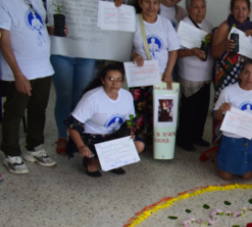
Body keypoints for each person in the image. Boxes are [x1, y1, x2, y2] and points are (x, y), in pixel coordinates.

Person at [48, 0, 126, 155]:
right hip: (61, 51)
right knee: (64, 97)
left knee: (80, 97)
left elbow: (112, 9)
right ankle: (62, 136)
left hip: (87, 52)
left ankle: (77, 136)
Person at [0, 0, 56, 174]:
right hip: (21, 71)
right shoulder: (4, 3)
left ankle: (34, 147)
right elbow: (4, 40)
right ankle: (11, 154)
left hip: (43, 69)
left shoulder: (37, 2)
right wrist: (17, 74)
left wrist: (52, 31)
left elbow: (34, 29)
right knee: (14, 112)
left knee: (38, 110)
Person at [64, 63, 145, 177]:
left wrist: (130, 132)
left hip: (115, 133)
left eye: (118, 80)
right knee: (93, 167)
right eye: (110, 79)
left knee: (138, 145)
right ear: (102, 80)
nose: (114, 83)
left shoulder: (127, 96)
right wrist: (81, 145)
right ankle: (93, 162)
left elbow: (130, 119)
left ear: (122, 81)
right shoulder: (92, 98)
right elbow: (71, 124)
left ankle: (111, 161)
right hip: (93, 135)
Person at [130, 0, 180, 142]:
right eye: (147, 2)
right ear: (140, 3)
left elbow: (174, 50)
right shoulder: (133, 21)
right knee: (138, 111)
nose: (152, 6)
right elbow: (123, 45)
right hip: (140, 77)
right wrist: (134, 55)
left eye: (155, 2)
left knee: (160, 113)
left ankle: (156, 144)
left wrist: (168, 74)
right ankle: (138, 142)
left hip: (161, 76)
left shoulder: (165, 23)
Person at [212, 61, 252, 181]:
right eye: (246, 73)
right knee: (226, 176)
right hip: (232, 138)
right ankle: (214, 155)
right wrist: (221, 109)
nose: (250, 77)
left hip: (251, 138)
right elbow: (216, 115)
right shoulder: (228, 91)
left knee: (246, 176)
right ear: (240, 74)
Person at [175, 0, 214, 151]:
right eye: (196, 7)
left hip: (206, 75)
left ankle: (196, 136)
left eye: (203, 7)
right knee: (189, 110)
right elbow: (176, 51)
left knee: (202, 109)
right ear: (189, 9)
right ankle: (183, 138)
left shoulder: (208, 24)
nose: (200, 11)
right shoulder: (183, 26)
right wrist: (192, 51)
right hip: (189, 75)